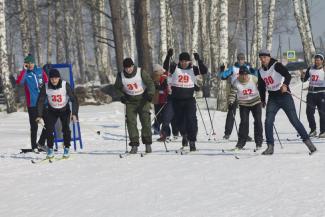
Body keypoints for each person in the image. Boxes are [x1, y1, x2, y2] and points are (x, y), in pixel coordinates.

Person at [257, 49, 317, 155]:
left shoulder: (277, 65)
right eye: (261, 58)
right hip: (273, 97)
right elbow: (261, 86)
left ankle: (309, 144)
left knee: (294, 120)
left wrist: (285, 85)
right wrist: (262, 99)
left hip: (284, 96)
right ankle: (270, 147)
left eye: (265, 57)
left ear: (269, 57)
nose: (263, 60)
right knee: (268, 121)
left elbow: (287, 76)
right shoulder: (260, 71)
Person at [163, 48, 208, 151]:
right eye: (182, 61)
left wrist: (199, 60)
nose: (184, 63)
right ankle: (184, 135)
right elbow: (165, 67)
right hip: (176, 100)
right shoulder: (174, 67)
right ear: (179, 61)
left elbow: (204, 70)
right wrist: (168, 56)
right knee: (180, 122)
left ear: (189, 61)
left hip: (189, 100)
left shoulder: (193, 69)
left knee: (191, 120)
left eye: (186, 61)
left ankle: (192, 141)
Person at [114, 58, 155, 154]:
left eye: (130, 67)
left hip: (143, 100)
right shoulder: (121, 75)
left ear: (133, 66)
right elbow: (117, 88)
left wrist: (150, 94)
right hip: (130, 102)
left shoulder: (141, 72)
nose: (129, 69)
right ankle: (134, 145)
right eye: (126, 68)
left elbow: (150, 83)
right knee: (131, 122)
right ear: (124, 68)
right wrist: (121, 96)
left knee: (145, 121)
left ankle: (147, 144)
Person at [36, 68, 79, 159]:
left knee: (66, 129)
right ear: (49, 79)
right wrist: (39, 115)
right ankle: (50, 149)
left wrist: (74, 113)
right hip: (52, 111)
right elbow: (40, 101)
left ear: (59, 78)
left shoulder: (65, 85)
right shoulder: (46, 86)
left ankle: (67, 147)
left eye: (56, 78)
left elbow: (74, 99)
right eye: (52, 78)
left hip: (64, 110)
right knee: (49, 129)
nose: (54, 80)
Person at [16, 54, 48, 153]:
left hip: (43, 102)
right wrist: (24, 71)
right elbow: (19, 82)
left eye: (31, 63)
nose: (30, 65)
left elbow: (47, 81)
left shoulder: (40, 71)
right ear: (26, 64)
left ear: (34, 62)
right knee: (34, 126)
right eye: (28, 63)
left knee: (49, 124)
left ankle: (41, 143)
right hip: (33, 104)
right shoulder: (25, 73)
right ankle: (34, 146)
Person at [219, 53, 255, 140]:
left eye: (242, 59)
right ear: (237, 59)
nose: (241, 61)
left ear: (244, 59)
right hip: (234, 91)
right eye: (239, 59)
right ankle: (227, 133)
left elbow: (255, 75)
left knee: (245, 114)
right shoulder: (233, 68)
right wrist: (222, 71)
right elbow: (223, 76)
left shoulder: (248, 67)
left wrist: (253, 70)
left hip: (245, 92)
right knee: (231, 112)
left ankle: (244, 134)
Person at [228, 66, 263, 150]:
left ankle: (258, 142)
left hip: (256, 102)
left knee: (258, 121)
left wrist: (263, 96)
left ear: (248, 74)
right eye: (242, 75)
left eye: (246, 74)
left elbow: (262, 88)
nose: (244, 76)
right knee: (244, 123)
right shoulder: (236, 82)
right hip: (243, 104)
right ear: (239, 75)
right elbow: (232, 94)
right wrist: (231, 102)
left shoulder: (254, 79)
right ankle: (240, 143)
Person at [300, 53, 325, 138]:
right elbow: (304, 80)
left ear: (322, 61)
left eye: (318, 60)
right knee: (309, 112)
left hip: (322, 93)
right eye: (316, 60)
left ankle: (323, 131)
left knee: (322, 113)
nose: (317, 61)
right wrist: (302, 76)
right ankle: (313, 130)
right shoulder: (310, 69)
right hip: (311, 94)